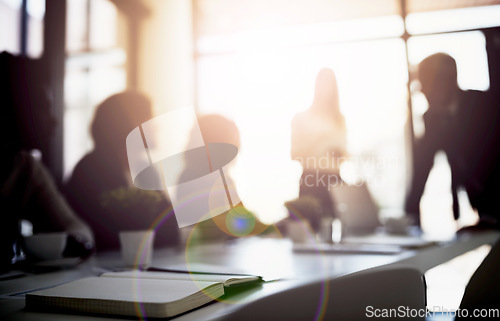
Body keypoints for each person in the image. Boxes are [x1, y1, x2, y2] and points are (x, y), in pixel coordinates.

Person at [0, 52, 94, 272]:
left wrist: (72, 241)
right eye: (43, 107)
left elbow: (75, 227)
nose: (53, 120)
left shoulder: (27, 168)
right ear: (13, 105)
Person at [65, 92, 179, 251]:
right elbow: (108, 236)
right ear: (127, 122)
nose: (156, 125)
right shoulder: (90, 170)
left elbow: (170, 228)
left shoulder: (145, 169)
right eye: (150, 117)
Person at [405, 53, 500, 228]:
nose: (423, 91)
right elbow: (422, 167)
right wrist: (408, 217)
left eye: (427, 83)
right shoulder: (432, 118)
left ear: (447, 81)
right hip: (484, 208)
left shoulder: (486, 104)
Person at [291, 68, 347, 231]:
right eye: (323, 82)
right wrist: (319, 140)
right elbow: (294, 154)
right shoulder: (301, 118)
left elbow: (345, 155)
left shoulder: (340, 119)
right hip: (311, 180)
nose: (326, 87)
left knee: (340, 230)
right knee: (311, 230)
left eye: (330, 83)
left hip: (335, 180)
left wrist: (341, 153)